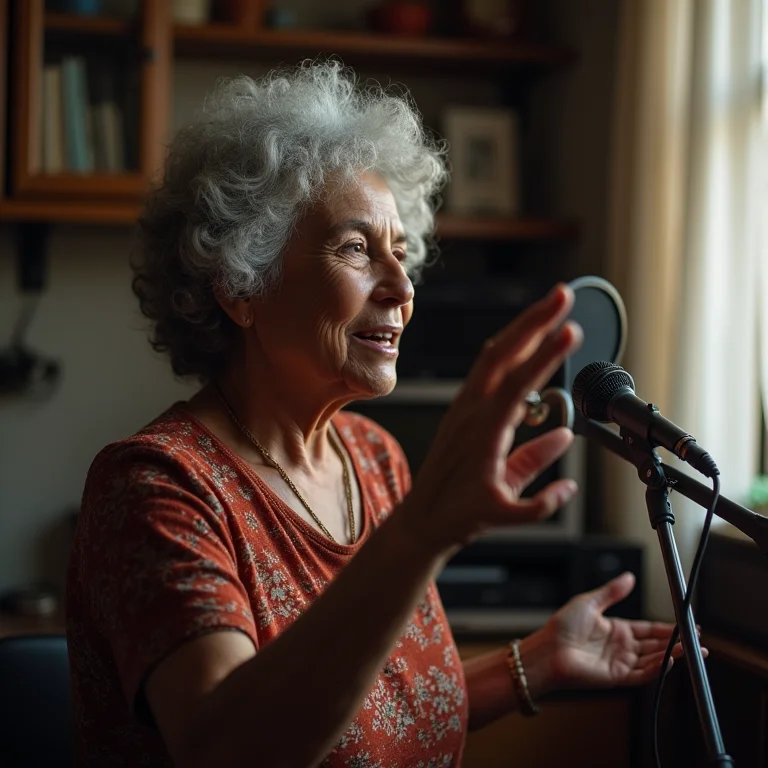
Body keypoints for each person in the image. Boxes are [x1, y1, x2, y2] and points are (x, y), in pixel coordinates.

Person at [66, 62, 692, 768]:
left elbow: (375, 713)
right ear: (241, 287)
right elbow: (228, 750)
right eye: (356, 248)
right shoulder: (155, 488)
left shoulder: (371, 455)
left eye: (401, 252)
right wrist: (423, 531)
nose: (400, 288)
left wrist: (532, 663)